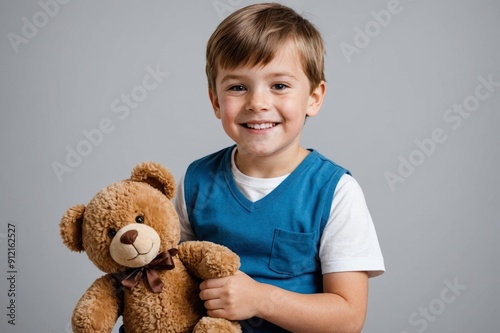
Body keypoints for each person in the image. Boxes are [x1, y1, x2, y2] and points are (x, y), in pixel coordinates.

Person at [174, 3, 385, 332]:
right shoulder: (196, 181)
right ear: (216, 101)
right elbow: (170, 277)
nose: (257, 103)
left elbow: (348, 317)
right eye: (237, 87)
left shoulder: (336, 192)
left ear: (314, 98)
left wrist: (260, 299)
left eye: (279, 86)